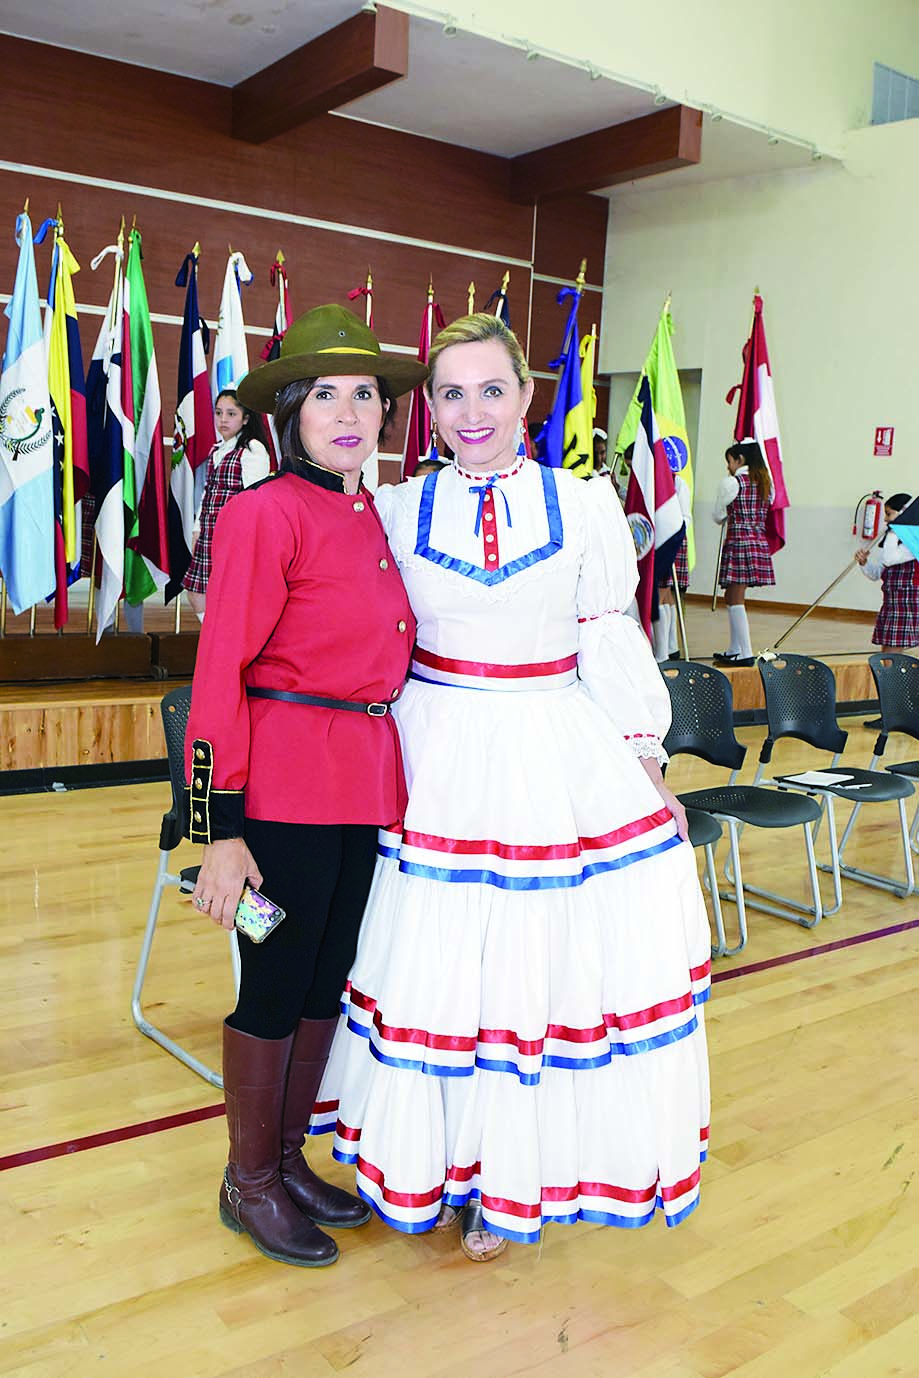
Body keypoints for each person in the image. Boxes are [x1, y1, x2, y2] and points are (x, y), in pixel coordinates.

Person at [311, 313, 711, 1263]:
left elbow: (607, 636)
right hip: (431, 755)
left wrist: (646, 760)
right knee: (437, 971)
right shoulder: (394, 507)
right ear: (431, 410)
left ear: (527, 396)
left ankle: (507, 1180)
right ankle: (434, 1164)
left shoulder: (584, 504)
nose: (472, 411)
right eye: (451, 393)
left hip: (551, 749)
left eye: (492, 389)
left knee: (530, 974)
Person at [184, 304, 426, 1268]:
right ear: (288, 413)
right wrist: (219, 829)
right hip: (274, 798)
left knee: (328, 972)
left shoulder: (366, 510)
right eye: (324, 394)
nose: (349, 411)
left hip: (359, 789)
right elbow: (219, 676)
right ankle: (245, 1181)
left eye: (364, 394)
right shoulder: (263, 511)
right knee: (275, 972)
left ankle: (284, 1161)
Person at [182, 389, 272, 619]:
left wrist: (247, 540)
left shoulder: (253, 449)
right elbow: (208, 492)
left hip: (233, 534)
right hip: (209, 531)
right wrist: (197, 528)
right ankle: (216, 639)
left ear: (245, 418)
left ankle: (224, 644)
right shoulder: (217, 449)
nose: (223, 419)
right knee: (196, 592)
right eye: (219, 412)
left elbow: (255, 499)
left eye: (231, 414)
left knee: (229, 593)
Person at [855, 492, 918, 727]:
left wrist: (895, 529)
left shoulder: (911, 543)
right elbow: (877, 572)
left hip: (905, 606)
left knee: (891, 661)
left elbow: (891, 558)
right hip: (891, 604)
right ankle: (891, 712)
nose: (886, 521)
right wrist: (864, 563)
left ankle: (896, 714)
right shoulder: (895, 541)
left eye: (890, 515)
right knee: (886, 660)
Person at [712, 439, 775, 666]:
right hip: (757, 542)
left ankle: (746, 652)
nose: (729, 467)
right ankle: (734, 648)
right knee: (732, 596)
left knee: (735, 597)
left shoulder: (733, 483)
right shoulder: (767, 483)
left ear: (740, 459)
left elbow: (718, 515)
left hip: (739, 542)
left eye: (730, 461)